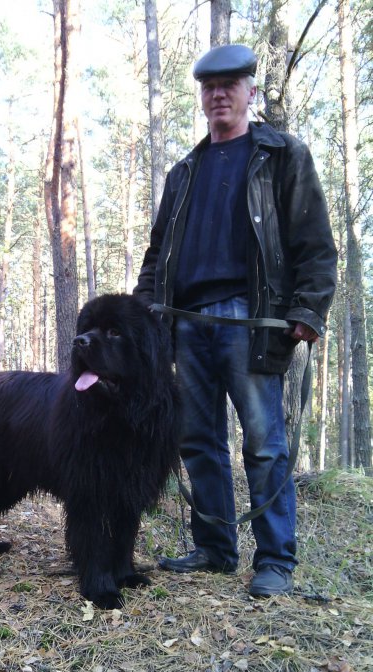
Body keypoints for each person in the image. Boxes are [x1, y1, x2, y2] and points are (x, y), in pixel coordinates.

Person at [134, 44, 337, 596]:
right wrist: (145, 316)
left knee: (264, 444)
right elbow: (157, 256)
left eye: (230, 84)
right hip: (186, 322)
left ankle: (275, 560)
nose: (219, 94)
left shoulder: (282, 156)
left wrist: (307, 309)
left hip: (250, 320)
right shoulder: (184, 172)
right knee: (198, 440)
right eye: (209, 87)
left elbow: (316, 244)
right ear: (201, 97)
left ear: (251, 91)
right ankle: (216, 548)